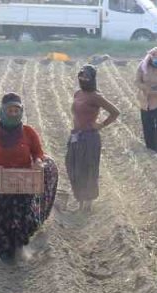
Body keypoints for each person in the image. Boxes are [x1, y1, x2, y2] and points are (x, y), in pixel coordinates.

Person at [0, 92, 59, 262]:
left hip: (23, 182)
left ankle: (19, 250)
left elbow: (38, 153)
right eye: (9, 110)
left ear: (21, 112)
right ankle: (2, 254)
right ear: (2, 111)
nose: (13, 114)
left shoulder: (28, 132)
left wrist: (37, 162)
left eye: (16, 111)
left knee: (24, 218)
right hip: (0, 183)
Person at [67, 64, 120, 213]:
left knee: (88, 170)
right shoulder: (78, 93)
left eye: (86, 76)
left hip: (89, 138)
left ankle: (87, 204)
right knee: (73, 168)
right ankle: (80, 200)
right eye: (81, 76)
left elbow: (115, 112)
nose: (83, 79)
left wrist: (101, 125)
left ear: (92, 78)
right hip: (76, 136)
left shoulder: (96, 96)